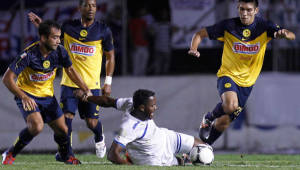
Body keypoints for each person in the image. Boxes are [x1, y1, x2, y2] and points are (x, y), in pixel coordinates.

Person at [188, 0, 295, 145]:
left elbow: (291, 35)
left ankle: (201, 148)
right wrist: (194, 48)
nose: (244, 13)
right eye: (242, 9)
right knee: (230, 105)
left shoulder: (264, 26)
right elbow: (200, 34)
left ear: (256, 10)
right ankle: (208, 117)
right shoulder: (228, 26)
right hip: (228, 75)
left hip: (247, 84)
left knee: (223, 123)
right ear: (238, 8)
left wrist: (285, 34)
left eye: (249, 10)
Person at [28, 0, 115, 159]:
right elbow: (51, 36)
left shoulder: (103, 30)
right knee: (67, 117)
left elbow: (110, 56)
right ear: (79, 8)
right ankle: (66, 152)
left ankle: (99, 137)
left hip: (92, 84)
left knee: (91, 123)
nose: (91, 9)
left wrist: (107, 82)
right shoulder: (68, 27)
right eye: (87, 5)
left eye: (94, 5)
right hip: (69, 83)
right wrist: (40, 24)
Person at [1, 20, 90, 165]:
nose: (58, 41)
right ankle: (10, 153)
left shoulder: (60, 51)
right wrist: (23, 97)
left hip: (47, 97)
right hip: (27, 95)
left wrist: (85, 88)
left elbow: (70, 70)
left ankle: (64, 155)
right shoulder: (28, 54)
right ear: (43, 38)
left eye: (59, 37)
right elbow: (7, 78)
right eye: (54, 37)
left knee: (63, 129)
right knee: (37, 126)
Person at [73, 89, 207, 166]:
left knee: (205, 149)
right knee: (187, 163)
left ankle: (187, 157)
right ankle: (182, 160)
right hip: (155, 157)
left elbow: (108, 101)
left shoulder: (131, 102)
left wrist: (87, 98)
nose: (156, 107)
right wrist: (130, 167)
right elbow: (112, 154)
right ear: (142, 108)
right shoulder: (129, 127)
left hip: (165, 137)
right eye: (152, 105)